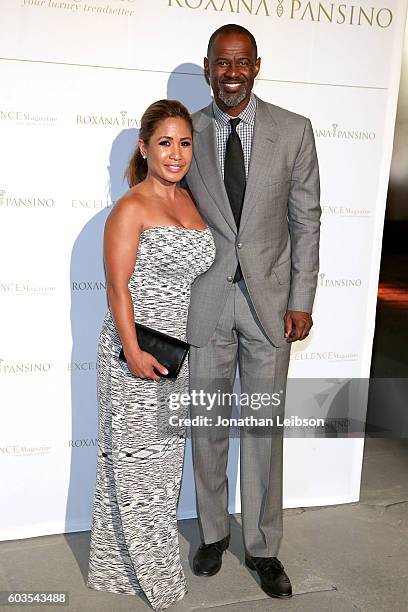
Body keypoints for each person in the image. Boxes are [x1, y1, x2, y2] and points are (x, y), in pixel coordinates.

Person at [184, 24, 321, 599]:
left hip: (270, 309)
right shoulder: (182, 132)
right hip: (207, 304)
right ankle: (214, 534)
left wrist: (301, 300)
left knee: (264, 430)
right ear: (208, 64)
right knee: (208, 427)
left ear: (257, 66)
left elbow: (305, 221)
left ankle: (264, 548)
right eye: (221, 63)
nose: (231, 73)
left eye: (241, 63)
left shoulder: (293, 131)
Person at [87, 99, 216, 611]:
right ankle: (161, 582)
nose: (176, 153)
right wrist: (133, 351)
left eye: (185, 143)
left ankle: (115, 567)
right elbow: (118, 289)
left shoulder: (190, 202)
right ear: (144, 147)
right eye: (165, 142)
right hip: (133, 354)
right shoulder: (131, 207)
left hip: (174, 353)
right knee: (140, 471)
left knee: (161, 468)